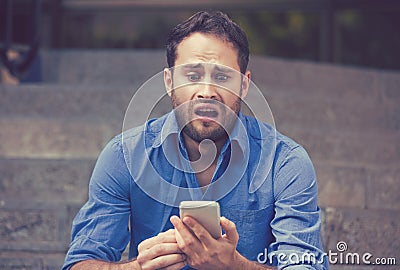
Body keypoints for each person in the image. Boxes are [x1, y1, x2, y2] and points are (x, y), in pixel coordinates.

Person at [63, 11, 328, 270]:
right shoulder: (124, 156)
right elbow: (80, 262)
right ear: (169, 82)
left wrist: (234, 266)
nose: (207, 92)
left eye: (222, 77)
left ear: (244, 86)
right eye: (192, 76)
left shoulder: (286, 162)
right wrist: (136, 268)